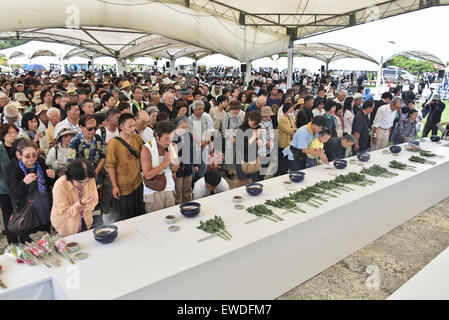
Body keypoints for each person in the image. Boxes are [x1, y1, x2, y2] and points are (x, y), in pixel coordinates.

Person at [4, 139, 55, 243]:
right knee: (29, 243)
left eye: (34, 155)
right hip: (27, 213)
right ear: (19, 155)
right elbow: (13, 194)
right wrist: (24, 183)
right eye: (27, 156)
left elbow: (48, 184)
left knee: (46, 240)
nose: (31, 158)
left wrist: (53, 176)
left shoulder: (40, 162)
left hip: (44, 208)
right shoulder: (13, 169)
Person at [106, 113, 145, 221]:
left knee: (139, 214)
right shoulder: (114, 144)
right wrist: (114, 186)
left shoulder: (137, 138)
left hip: (137, 182)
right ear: (121, 127)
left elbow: (143, 156)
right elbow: (111, 167)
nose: (133, 129)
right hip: (122, 186)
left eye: (134, 126)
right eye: (130, 126)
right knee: (125, 217)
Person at [50, 159, 99, 236]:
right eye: (81, 182)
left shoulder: (89, 179)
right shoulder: (60, 185)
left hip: (86, 221)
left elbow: (95, 201)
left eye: (88, 181)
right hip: (66, 225)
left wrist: (84, 207)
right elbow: (64, 212)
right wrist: (81, 203)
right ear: (71, 178)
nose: (85, 184)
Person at [141, 121, 179, 213]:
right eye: (166, 138)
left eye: (171, 138)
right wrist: (165, 163)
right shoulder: (146, 149)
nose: (169, 142)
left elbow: (175, 169)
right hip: (153, 191)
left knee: (171, 218)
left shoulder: (172, 146)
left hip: (169, 188)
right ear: (157, 136)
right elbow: (148, 175)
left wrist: (173, 160)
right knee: (155, 222)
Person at [0, 123, 19, 243]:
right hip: (5, 189)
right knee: (8, 216)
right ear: (3, 136)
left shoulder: (20, 148)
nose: (13, 135)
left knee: (22, 214)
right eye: (10, 133)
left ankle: (24, 238)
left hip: (21, 187)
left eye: (15, 132)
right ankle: (12, 242)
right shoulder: (1, 151)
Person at [188, 100, 214, 181]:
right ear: (194, 110)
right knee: (194, 164)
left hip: (205, 144)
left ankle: (202, 178)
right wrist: (200, 143)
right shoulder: (190, 119)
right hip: (195, 145)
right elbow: (191, 133)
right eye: (199, 109)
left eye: (202, 109)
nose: (201, 111)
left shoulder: (205, 117)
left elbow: (209, 129)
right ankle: (193, 180)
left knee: (203, 164)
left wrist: (206, 141)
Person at [235, 110, 262, 186]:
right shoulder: (241, 129)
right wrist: (253, 137)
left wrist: (258, 140)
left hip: (253, 157)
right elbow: (241, 148)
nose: (254, 126)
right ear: (249, 119)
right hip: (242, 158)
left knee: (251, 180)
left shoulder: (258, 127)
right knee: (242, 181)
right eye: (253, 124)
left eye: (256, 125)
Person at [173, 116, 194, 205]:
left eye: (186, 127)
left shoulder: (188, 135)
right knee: (178, 190)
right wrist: (173, 170)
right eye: (182, 127)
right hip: (178, 168)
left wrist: (194, 164)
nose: (184, 129)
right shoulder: (172, 137)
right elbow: (172, 155)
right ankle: (178, 207)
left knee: (187, 189)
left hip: (188, 166)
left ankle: (187, 205)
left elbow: (192, 150)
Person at [221, 100, 244, 179]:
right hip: (229, 137)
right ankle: (229, 171)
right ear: (234, 109)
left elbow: (240, 126)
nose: (239, 111)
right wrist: (232, 139)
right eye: (238, 109)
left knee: (235, 155)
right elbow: (224, 130)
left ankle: (231, 169)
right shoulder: (226, 116)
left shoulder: (238, 116)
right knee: (230, 155)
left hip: (237, 136)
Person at [277, 102, 296, 176]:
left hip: (290, 140)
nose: (292, 111)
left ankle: (284, 170)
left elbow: (294, 126)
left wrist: (294, 129)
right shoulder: (282, 119)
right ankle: (281, 172)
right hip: (283, 141)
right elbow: (288, 130)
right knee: (283, 159)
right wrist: (294, 130)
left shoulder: (290, 117)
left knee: (287, 158)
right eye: (291, 110)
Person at [258, 106, 275, 179]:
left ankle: (261, 179)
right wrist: (266, 143)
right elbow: (257, 137)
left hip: (268, 149)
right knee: (260, 168)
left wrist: (271, 141)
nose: (268, 118)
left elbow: (272, 133)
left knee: (265, 166)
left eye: (269, 116)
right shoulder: (258, 123)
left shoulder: (270, 121)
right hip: (261, 149)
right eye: (266, 116)